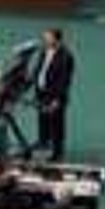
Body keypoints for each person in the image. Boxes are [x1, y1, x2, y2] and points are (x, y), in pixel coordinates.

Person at [30, 28, 74, 161]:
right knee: (43, 119)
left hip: (55, 95)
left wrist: (57, 99)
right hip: (42, 92)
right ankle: (43, 142)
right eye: (45, 37)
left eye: (48, 37)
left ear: (57, 39)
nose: (45, 39)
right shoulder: (44, 51)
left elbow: (64, 80)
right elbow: (40, 69)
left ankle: (57, 152)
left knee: (57, 125)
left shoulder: (66, 56)